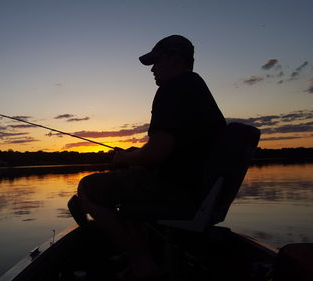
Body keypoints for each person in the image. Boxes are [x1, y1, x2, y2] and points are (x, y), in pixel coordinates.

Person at [68, 35, 226, 279]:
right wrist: (135, 157)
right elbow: (173, 149)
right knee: (132, 175)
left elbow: (158, 152)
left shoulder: (172, 89)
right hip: (195, 189)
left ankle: (141, 261)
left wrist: (123, 159)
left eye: (156, 61)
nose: (152, 69)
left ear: (174, 59)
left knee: (87, 188)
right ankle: (141, 254)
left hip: (178, 191)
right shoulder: (196, 87)